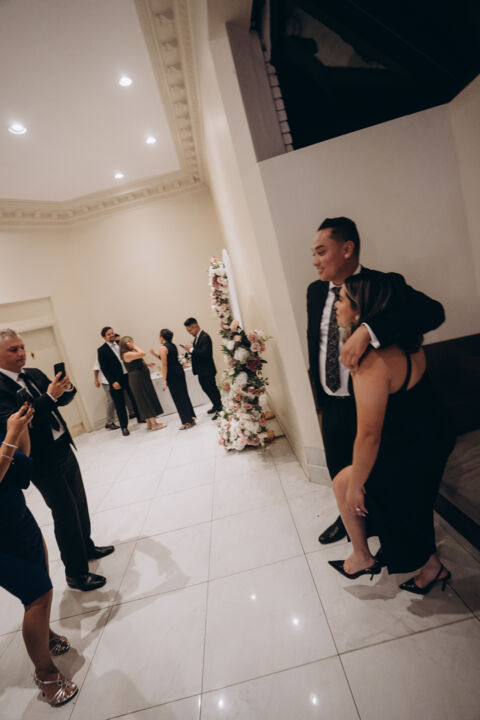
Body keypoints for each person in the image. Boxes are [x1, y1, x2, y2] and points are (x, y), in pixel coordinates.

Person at [307, 217, 445, 545]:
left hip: (373, 403)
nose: (315, 261)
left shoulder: (384, 285)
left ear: (347, 249)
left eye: (321, 252)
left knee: (378, 475)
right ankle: (349, 520)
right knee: (339, 470)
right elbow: (318, 342)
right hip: (332, 401)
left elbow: (433, 313)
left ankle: (386, 530)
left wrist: (369, 331)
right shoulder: (315, 292)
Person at [328, 272, 455, 593]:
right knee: (417, 501)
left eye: (341, 300)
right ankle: (428, 566)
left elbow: (368, 435)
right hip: (429, 435)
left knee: (345, 484)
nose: (336, 306)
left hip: (409, 447)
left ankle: (364, 557)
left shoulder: (371, 361)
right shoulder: (406, 342)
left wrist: (357, 486)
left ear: (359, 308)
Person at [0, 329, 113, 592]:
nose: (21, 353)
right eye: (13, 350)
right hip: (40, 459)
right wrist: (49, 397)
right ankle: (75, 573)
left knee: (80, 505)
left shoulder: (34, 373)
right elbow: (16, 420)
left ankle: (86, 547)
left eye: (22, 347)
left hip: (62, 446)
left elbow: (60, 400)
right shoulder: (1, 388)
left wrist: (67, 389)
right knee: (65, 514)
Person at [0, 402, 78, 706]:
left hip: (18, 519)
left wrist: (22, 431)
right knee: (38, 594)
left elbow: (19, 464)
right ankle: (45, 674)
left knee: (41, 584)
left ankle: (43, 634)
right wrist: (11, 435)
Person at [97, 326, 139, 437]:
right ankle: (124, 427)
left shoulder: (120, 343)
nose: (111, 335)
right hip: (116, 380)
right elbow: (104, 369)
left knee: (134, 397)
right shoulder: (102, 350)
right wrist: (112, 382)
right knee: (120, 404)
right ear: (104, 337)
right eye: (109, 334)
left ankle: (141, 418)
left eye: (112, 333)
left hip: (127, 375)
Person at [119, 336, 166, 431]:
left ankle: (149, 423)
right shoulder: (126, 354)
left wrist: (147, 364)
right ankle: (154, 424)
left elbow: (135, 362)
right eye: (131, 342)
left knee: (144, 398)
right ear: (127, 344)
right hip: (138, 379)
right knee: (145, 398)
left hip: (141, 378)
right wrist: (134, 346)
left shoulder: (130, 353)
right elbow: (142, 353)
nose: (133, 343)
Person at [152, 329, 196, 430]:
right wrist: (154, 354)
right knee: (184, 395)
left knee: (178, 398)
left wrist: (164, 380)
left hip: (172, 374)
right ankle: (191, 418)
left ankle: (186, 422)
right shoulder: (172, 345)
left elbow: (164, 365)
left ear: (161, 337)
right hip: (179, 371)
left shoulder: (163, 348)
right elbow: (167, 359)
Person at [183, 317, 222, 420]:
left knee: (212, 389)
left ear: (195, 326)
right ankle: (215, 405)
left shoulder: (205, 337)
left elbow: (205, 354)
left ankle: (220, 408)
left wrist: (191, 349)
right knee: (206, 388)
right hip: (202, 370)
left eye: (190, 330)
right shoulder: (197, 338)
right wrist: (190, 353)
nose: (189, 333)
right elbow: (198, 352)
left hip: (207, 369)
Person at [93, 358, 119, 430]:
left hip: (115, 380)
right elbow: (96, 368)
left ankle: (109, 422)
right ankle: (109, 422)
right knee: (111, 400)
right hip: (106, 382)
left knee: (116, 400)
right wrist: (96, 380)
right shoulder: (100, 354)